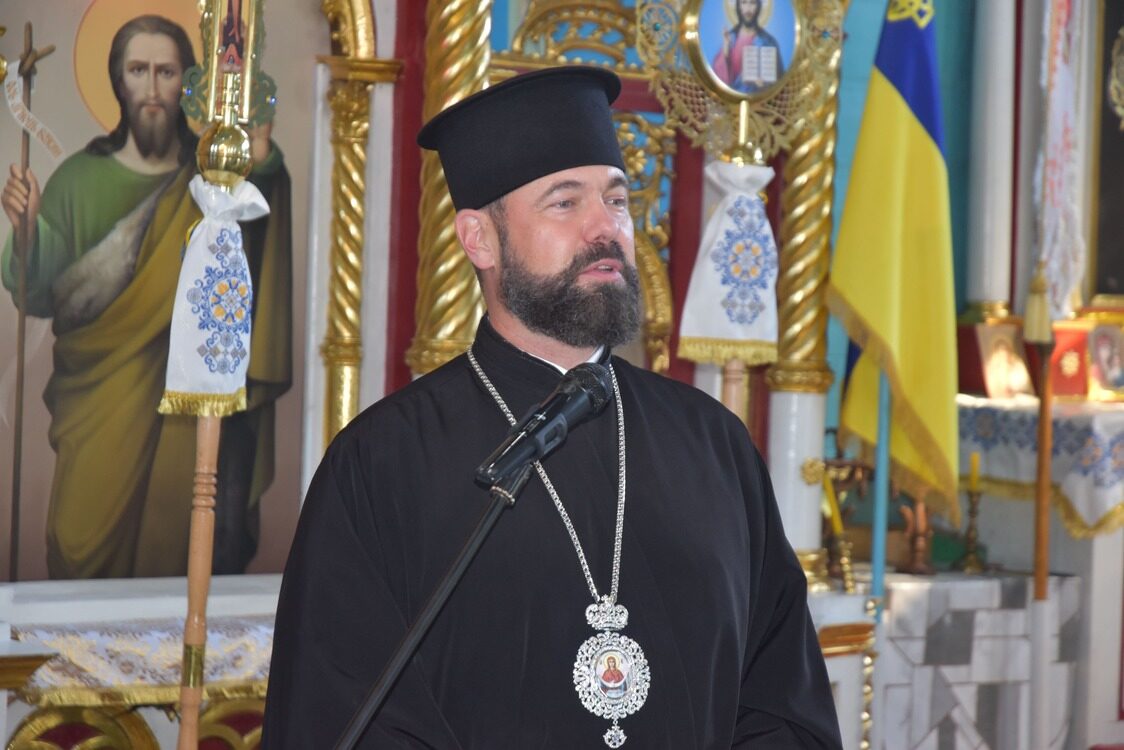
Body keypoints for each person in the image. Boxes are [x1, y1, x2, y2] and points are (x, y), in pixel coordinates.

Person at [264, 66, 840, 748]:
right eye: (565, 203)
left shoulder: (713, 444)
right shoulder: (380, 464)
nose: (606, 228)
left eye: (617, 199)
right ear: (478, 239)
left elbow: (783, 702)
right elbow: (341, 713)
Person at [0, 15, 292, 578]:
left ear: (188, 84)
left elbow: (252, 226)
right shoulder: (78, 180)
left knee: (178, 547)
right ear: (118, 81)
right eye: (139, 71)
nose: (153, 88)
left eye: (167, 72)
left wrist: (261, 157)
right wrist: (30, 228)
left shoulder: (212, 183)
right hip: (96, 404)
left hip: (184, 409)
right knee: (76, 544)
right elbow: (42, 293)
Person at [712, 0, 786, 94]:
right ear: (738, 6)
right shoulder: (730, 39)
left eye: (752, 3)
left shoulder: (768, 42)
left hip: (759, 100)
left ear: (758, 7)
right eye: (744, 2)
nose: (748, 9)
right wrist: (725, 53)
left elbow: (780, 83)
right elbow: (717, 81)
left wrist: (765, 86)